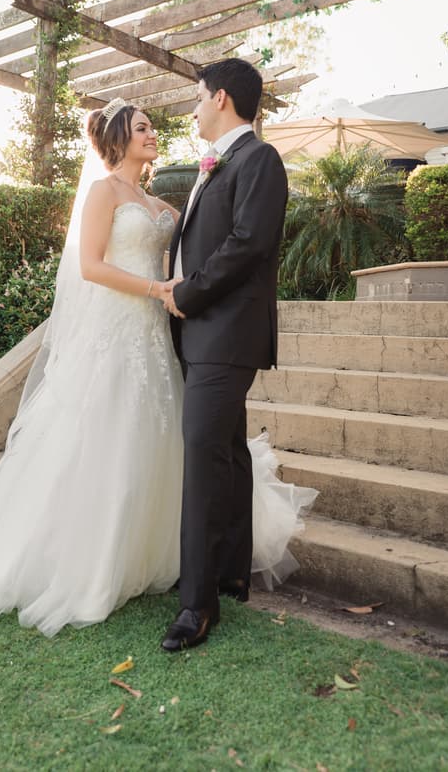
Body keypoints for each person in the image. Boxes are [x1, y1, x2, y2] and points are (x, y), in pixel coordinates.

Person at [0, 95, 315, 639]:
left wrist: (192, 292)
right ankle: (93, 554)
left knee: (162, 439)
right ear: (117, 139)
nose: (153, 134)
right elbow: (90, 266)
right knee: (106, 436)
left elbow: (198, 254)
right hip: (116, 330)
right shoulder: (101, 192)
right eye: (142, 128)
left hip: (160, 335)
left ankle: (164, 551)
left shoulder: (160, 202)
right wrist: (157, 287)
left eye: (152, 126)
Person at [161, 58, 290, 652]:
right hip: (201, 333)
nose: (192, 108)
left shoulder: (259, 159)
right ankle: (232, 570)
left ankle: (197, 604)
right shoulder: (216, 165)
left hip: (226, 332)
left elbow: (247, 244)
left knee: (203, 457)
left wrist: (187, 291)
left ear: (220, 98)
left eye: (196, 97)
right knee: (228, 453)